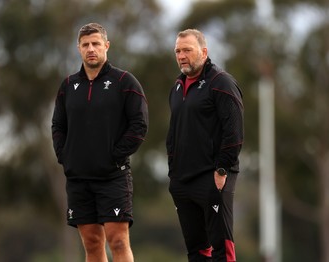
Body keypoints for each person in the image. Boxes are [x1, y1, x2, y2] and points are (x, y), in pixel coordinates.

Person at [51, 22, 148, 262]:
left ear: (106, 46)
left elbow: (139, 125)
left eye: (95, 43)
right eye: (85, 45)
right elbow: (58, 126)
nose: (91, 49)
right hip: (78, 179)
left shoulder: (125, 82)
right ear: (78, 48)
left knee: (117, 240)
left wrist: (114, 155)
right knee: (92, 243)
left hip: (113, 177)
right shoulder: (68, 86)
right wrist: (65, 156)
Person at [166, 29, 244, 262]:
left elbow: (234, 131)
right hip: (182, 180)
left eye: (187, 50)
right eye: (178, 51)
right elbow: (174, 133)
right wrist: (173, 173)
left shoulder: (221, 83)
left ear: (204, 52)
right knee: (196, 251)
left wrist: (221, 170)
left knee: (222, 247)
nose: (181, 55)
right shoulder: (177, 87)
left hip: (213, 177)